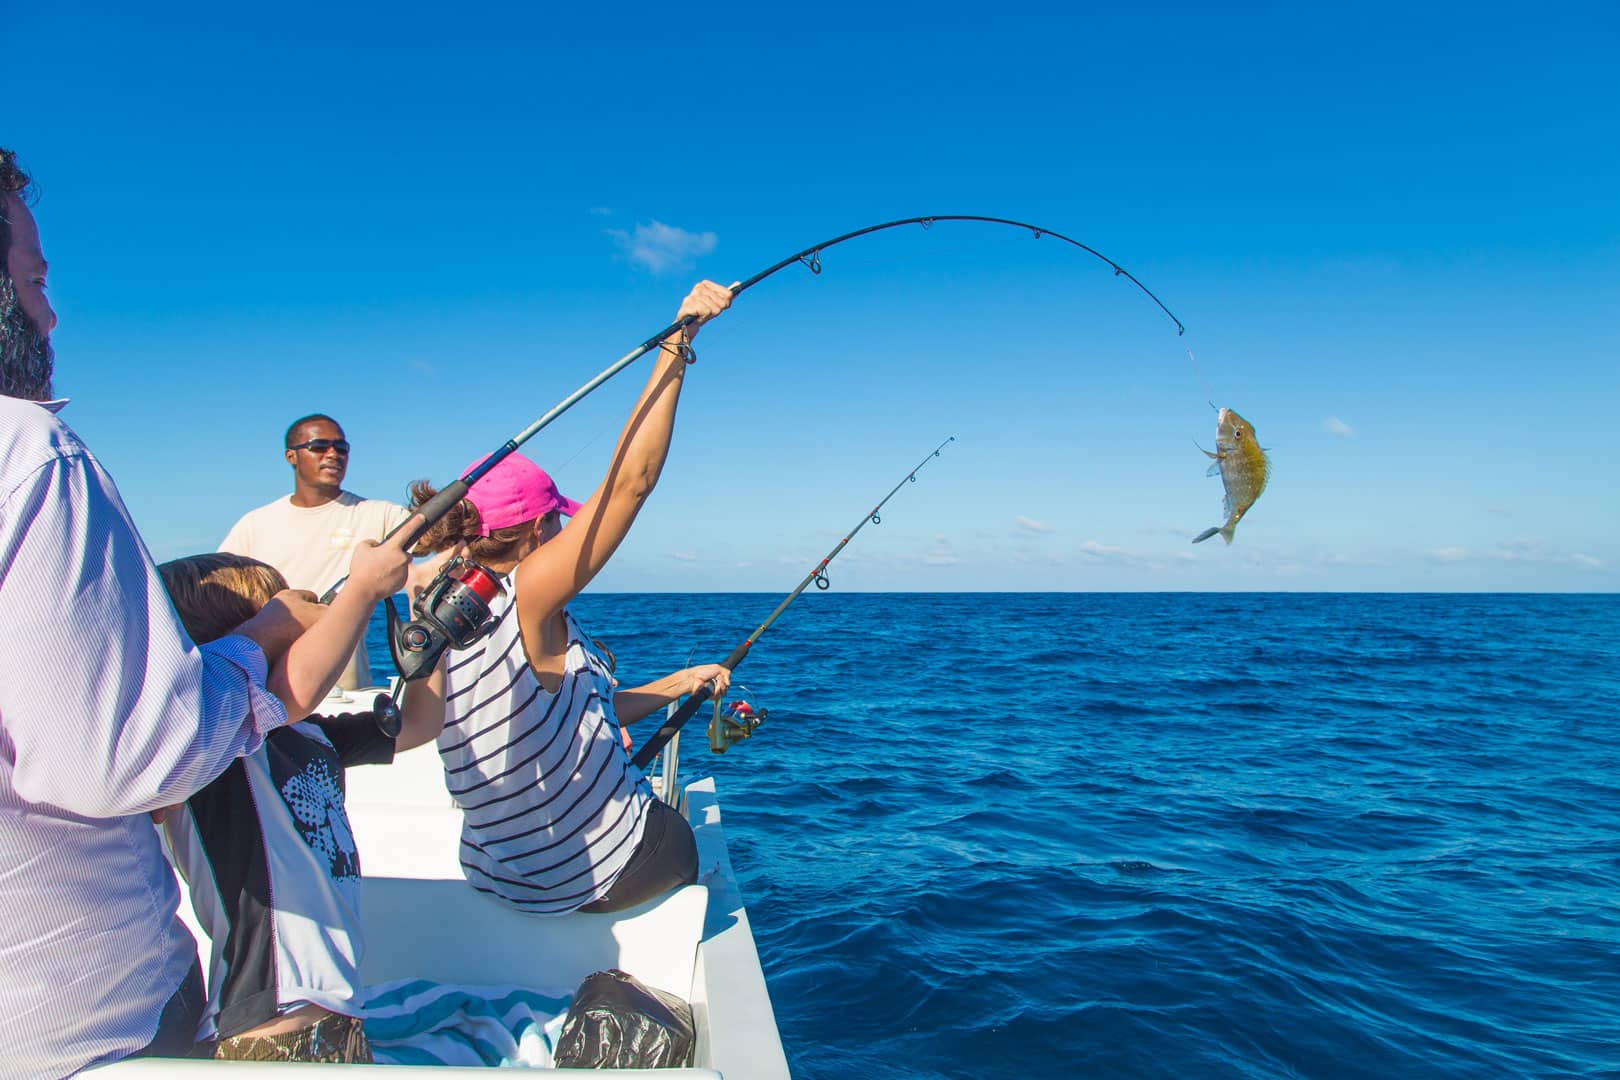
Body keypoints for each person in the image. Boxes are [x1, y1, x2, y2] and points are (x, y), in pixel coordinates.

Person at [0, 148, 328, 1075]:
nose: (49, 310)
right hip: (84, 1031)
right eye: (32, 278)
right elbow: (123, 758)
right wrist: (261, 638)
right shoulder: (29, 452)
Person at [398, 280, 735, 915]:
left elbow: (583, 711)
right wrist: (678, 341)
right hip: (580, 883)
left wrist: (683, 681)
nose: (564, 531)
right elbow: (630, 483)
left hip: (499, 880)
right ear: (533, 531)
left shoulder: (434, 606)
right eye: (556, 521)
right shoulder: (524, 595)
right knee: (682, 834)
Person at [157, 543, 416, 1062]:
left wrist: (431, 650)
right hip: (265, 1027)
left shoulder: (309, 734)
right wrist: (361, 591)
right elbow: (292, 688)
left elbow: (417, 726)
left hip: (335, 1020)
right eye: (281, 613)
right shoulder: (216, 748)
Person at [220, 414, 411, 689]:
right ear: (291, 456)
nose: (333, 454)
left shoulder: (381, 515)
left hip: (345, 692)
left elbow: (436, 540)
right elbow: (218, 600)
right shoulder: (254, 525)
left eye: (341, 448)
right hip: (267, 690)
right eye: (319, 446)